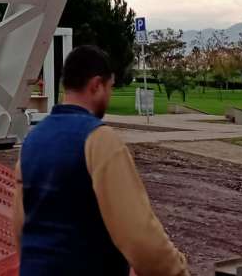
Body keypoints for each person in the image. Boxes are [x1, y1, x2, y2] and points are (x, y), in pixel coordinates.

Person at [12, 45, 189, 276]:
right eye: (110, 87)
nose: (110, 95)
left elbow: (20, 228)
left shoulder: (32, 141)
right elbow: (140, 237)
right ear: (96, 85)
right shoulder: (100, 140)